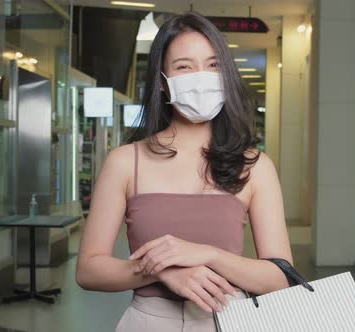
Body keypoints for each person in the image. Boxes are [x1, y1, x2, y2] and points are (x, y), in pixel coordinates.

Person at [76, 12, 292, 331]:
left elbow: (280, 277)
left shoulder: (255, 165)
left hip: (228, 319)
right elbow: (89, 270)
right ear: (163, 83)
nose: (201, 77)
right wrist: (160, 270)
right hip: (148, 322)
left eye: (213, 65)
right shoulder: (124, 161)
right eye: (184, 67)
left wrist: (206, 255)